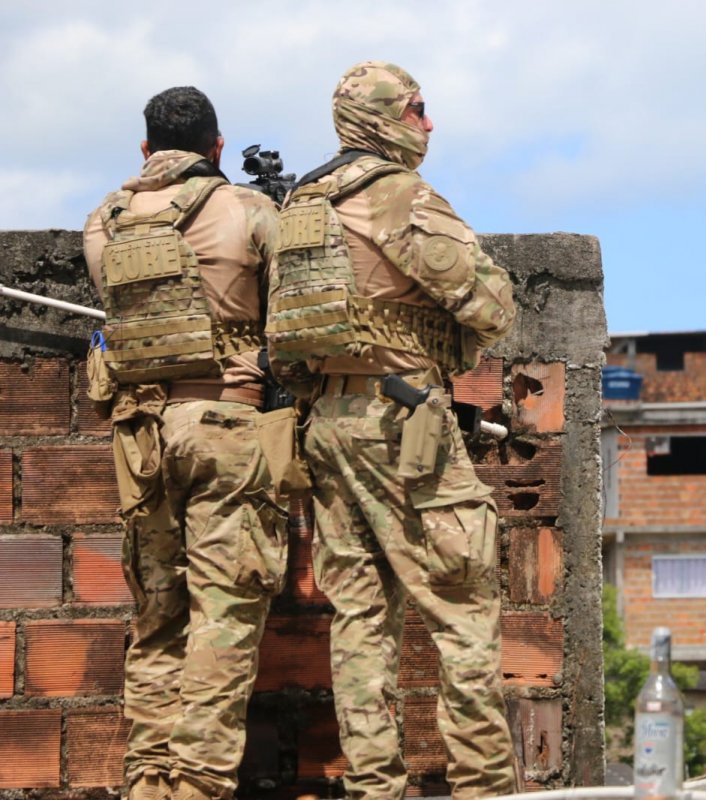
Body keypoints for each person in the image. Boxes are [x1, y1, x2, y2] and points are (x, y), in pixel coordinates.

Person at [267, 61, 519, 799]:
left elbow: (284, 338)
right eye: (416, 109)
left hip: (327, 423)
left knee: (360, 615)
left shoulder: (300, 205)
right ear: (383, 118)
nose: (429, 123)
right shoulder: (400, 194)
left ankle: (375, 788)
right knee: (462, 601)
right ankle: (484, 787)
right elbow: (492, 306)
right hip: (401, 415)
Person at [82, 86, 284, 800]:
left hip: (139, 436)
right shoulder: (252, 212)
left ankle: (148, 783)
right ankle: (198, 787)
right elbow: (290, 326)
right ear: (218, 146)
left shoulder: (103, 220)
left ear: (145, 149)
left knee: (158, 616)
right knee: (223, 617)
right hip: (225, 425)